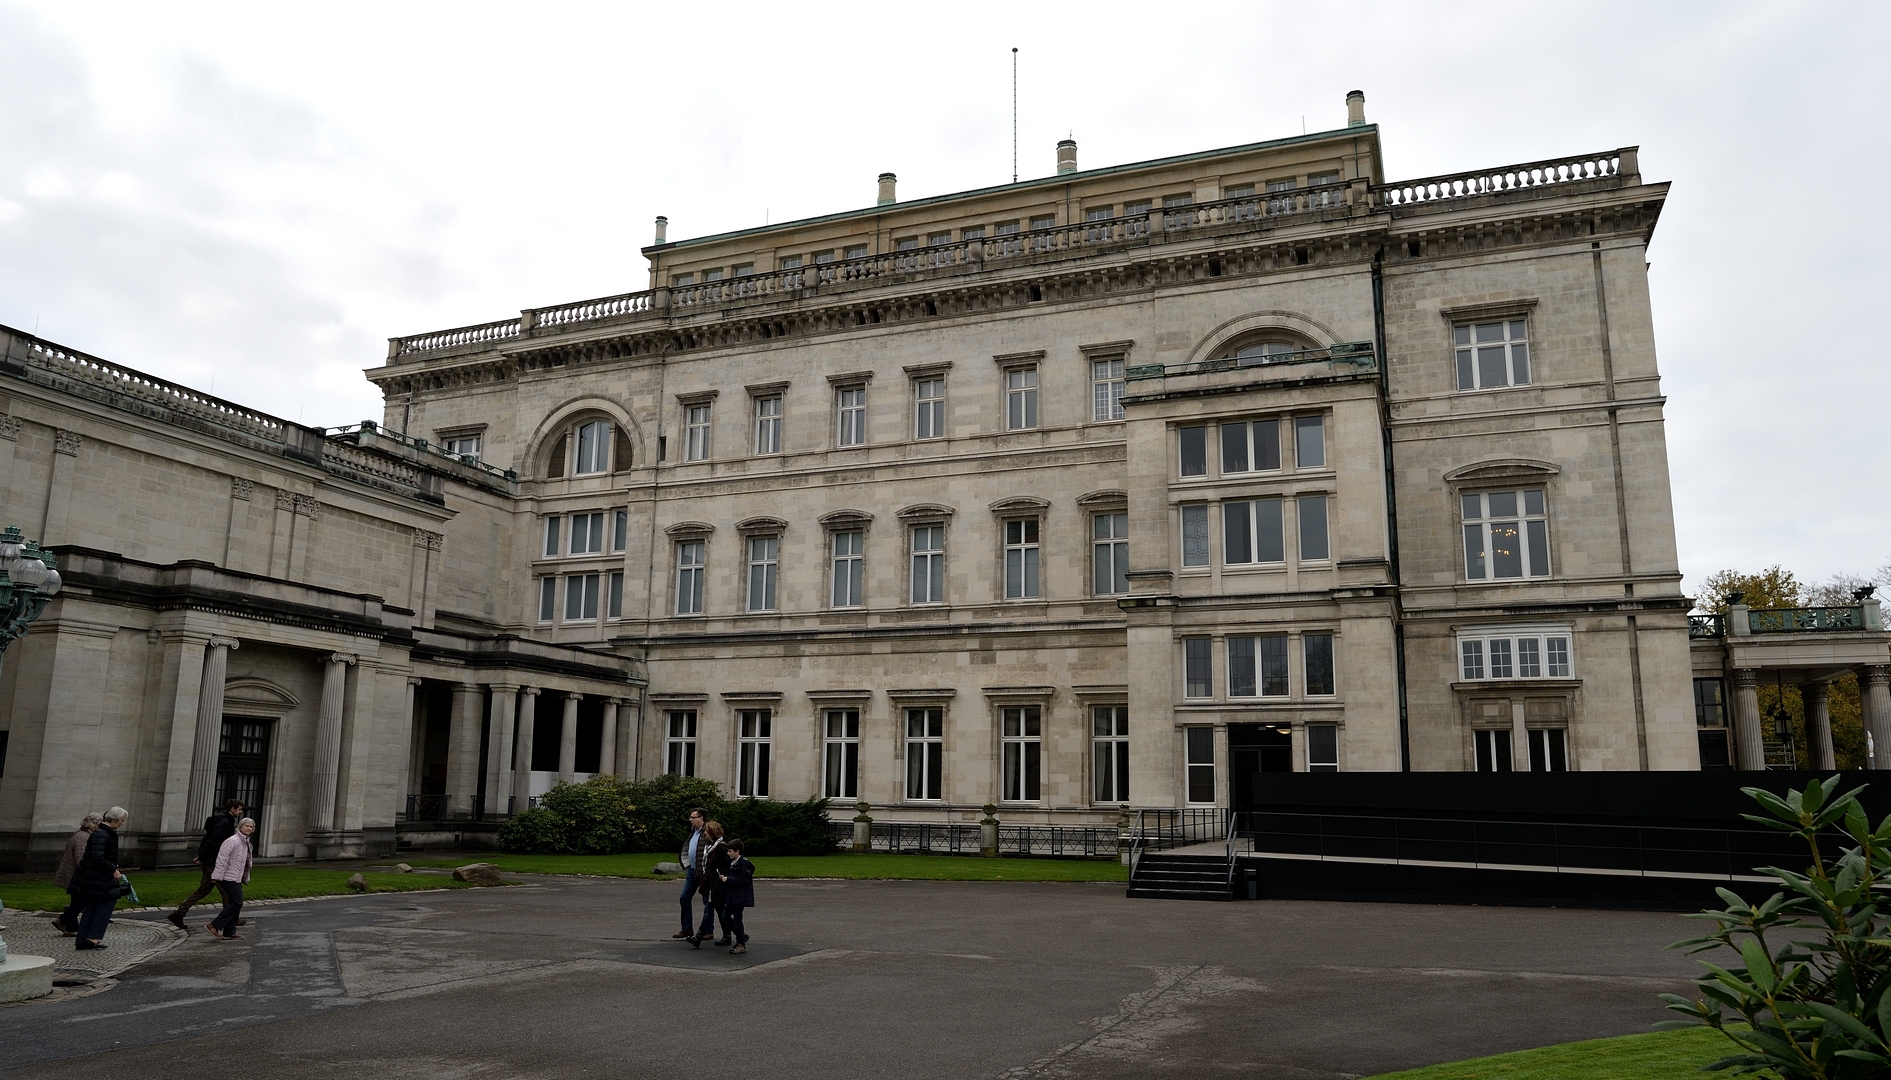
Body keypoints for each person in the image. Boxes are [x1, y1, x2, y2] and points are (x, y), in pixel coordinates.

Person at [171, 798, 244, 931]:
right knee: (226, 891)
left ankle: (179, 913)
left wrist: (202, 856)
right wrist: (202, 857)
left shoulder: (223, 820)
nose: (240, 812)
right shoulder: (224, 822)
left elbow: (209, 839)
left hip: (211, 860)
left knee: (203, 890)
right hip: (215, 862)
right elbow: (213, 841)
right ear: (232, 809)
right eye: (239, 809)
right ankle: (231, 919)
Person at [71, 806, 129, 951]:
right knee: (106, 903)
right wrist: (113, 869)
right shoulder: (103, 834)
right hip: (97, 877)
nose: (122, 823)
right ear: (114, 819)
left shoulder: (103, 832)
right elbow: (97, 856)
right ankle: (93, 937)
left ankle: (84, 939)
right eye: (122, 820)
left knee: (93, 906)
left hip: (94, 877)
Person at [49, 813, 101, 936]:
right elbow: (80, 859)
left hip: (76, 875)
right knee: (81, 901)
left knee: (78, 902)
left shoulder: (81, 834)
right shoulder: (83, 837)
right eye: (98, 825)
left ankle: (68, 925)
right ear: (93, 824)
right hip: (77, 876)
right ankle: (66, 923)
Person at [206, 817, 256, 940]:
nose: (249, 828)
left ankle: (229, 931)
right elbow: (222, 859)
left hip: (236, 877)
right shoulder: (232, 841)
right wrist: (217, 876)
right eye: (246, 826)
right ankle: (214, 925)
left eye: (251, 826)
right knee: (237, 902)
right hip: (228, 877)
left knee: (235, 903)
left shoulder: (246, 843)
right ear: (240, 827)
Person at [689, 822, 728, 948]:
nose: (705, 833)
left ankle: (699, 936)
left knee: (711, 910)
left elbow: (727, 865)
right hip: (712, 883)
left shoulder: (721, 847)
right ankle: (729, 935)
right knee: (718, 911)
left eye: (706, 831)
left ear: (711, 832)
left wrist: (722, 878)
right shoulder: (710, 846)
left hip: (718, 884)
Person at [673, 807, 708, 939]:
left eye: (693, 817)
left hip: (703, 873)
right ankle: (687, 929)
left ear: (701, 818)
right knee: (684, 898)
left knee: (707, 902)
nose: (690, 820)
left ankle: (707, 931)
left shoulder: (708, 832)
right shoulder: (693, 832)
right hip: (692, 870)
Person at [718, 838, 754, 955]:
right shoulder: (732, 863)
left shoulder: (743, 864)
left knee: (737, 920)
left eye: (730, 851)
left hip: (739, 897)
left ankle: (741, 943)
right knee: (725, 917)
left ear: (737, 851)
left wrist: (728, 879)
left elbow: (742, 880)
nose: (728, 853)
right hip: (731, 896)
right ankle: (741, 936)